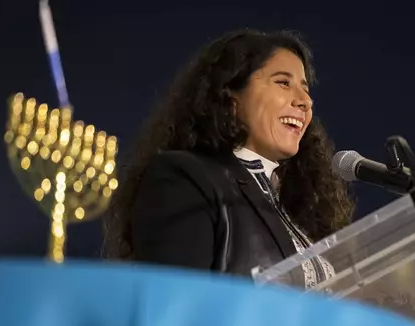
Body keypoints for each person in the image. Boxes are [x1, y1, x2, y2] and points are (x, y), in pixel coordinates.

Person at [102, 29, 355, 289]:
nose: (305, 101)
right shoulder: (184, 178)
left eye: (305, 89)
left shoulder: (298, 209)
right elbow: (176, 307)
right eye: (283, 82)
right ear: (231, 96)